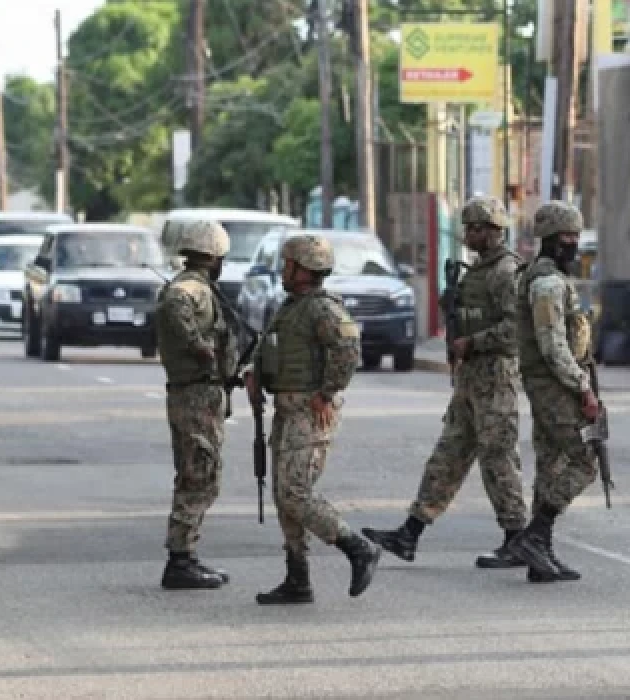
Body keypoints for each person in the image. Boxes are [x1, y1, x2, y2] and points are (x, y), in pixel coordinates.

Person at [362, 196, 529, 569]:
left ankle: (518, 538)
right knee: (446, 459)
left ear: (497, 231)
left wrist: (474, 342)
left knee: (498, 461)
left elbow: (515, 329)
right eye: (467, 227)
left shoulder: (506, 272)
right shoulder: (475, 272)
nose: (470, 233)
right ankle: (410, 533)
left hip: (495, 383)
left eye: (478, 227)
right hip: (470, 383)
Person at [245, 234, 381, 604]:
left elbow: (349, 349)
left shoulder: (322, 308)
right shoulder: (291, 307)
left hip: (310, 412)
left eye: (289, 264)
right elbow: (273, 349)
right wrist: (256, 374)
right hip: (287, 411)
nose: (283, 270)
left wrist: (327, 392)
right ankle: (297, 578)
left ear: (305, 269)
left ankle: (358, 548)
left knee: (295, 493)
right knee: (283, 496)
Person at [507, 201, 599, 583]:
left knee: (550, 465)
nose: (573, 244)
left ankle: (540, 554)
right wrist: (581, 387)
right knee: (585, 460)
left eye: (577, 236)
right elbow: (552, 345)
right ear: (548, 239)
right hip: (555, 386)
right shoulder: (545, 282)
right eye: (566, 237)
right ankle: (536, 534)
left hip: (550, 385)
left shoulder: (550, 277)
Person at [155, 220, 237, 590]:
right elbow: (175, 306)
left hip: (203, 393)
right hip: (195, 394)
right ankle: (180, 559)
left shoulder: (202, 288)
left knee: (200, 473)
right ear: (213, 255)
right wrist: (197, 344)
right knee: (198, 474)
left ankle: (185, 555)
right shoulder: (189, 288)